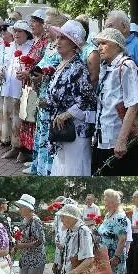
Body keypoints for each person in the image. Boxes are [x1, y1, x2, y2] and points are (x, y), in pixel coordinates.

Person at [92, 28, 138, 176]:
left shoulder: (127, 65)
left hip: (119, 143)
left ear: (117, 45)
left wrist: (121, 141)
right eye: (98, 44)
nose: (99, 47)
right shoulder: (105, 66)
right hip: (103, 138)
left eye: (104, 43)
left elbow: (134, 104)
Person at [47, 20, 97, 176]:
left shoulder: (78, 67)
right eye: (58, 37)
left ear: (74, 44)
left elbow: (88, 99)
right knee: (61, 167)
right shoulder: (62, 64)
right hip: (61, 128)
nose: (58, 41)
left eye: (63, 38)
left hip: (75, 130)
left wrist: (67, 114)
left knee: (74, 169)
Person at [27, 8, 68, 175]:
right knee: (41, 132)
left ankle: (48, 170)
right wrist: (34, 74)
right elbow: (42, 65)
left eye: (48, 23)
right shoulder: (49, 45)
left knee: (49, 134)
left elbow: (60, 72)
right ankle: (38, 166)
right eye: (44, 23)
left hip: (53, 98)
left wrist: (43, 76)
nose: (45, 26)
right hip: (43, 93)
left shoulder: (61, 48)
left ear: (58, 26)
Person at [16, 9, 49, 164]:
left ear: (43, 24)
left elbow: (41, 65)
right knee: (25, 117)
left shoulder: (46, 42)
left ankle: (29, 152)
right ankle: (23, 149)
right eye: (32, 22)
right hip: (28, 84)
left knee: (32, 118)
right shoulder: (36, 41)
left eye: (35, 22)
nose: (32, 25)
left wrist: (28, 73)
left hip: (36, 85)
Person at [0, 20, 34, 162]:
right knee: (8, 118)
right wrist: (0, 71)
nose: (16, 34)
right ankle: (13, 146)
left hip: (23, 89)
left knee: (21, 119)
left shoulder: (31, 47)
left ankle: (22, 148)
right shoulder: (9, 47)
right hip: (8, 87)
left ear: (27, 34)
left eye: (20, 31)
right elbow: (4, 64)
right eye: (15, 31)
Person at [94, 189, 128, 274]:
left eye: (106, 200)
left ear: (114, 202)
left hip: (114, 253)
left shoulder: (120, 217)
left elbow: (122, 239)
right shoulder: (109, 215)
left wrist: (116, 257)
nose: (104, 202)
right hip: (104, 252)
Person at [13, 194, 46, 274]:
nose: (19, 209)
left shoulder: (35, 220)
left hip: (36, 258)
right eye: (20, 207)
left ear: (29, 208)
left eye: (22, 207)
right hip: (26, 257)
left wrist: (23, 245)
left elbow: (40, 240)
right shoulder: (25, 220)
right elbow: (24, 237)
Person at [105, 10, 138, 81]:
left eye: (110, 26)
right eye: (106, 27)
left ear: (124, 27)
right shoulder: (111, 46)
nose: (107, 30)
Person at [0, 23, 15, 147]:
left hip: (10, 80)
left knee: (10, 110)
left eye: (5, 32)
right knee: (2, 109)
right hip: (2, 80)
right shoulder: (1, 46)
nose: (3, 35)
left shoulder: (14, 46)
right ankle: (2, 136)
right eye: (1, 33)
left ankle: (10, 138)